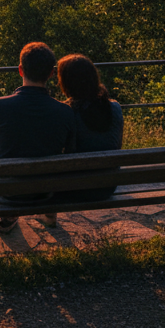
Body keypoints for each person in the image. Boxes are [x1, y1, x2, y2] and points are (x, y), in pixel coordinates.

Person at [0, 42, 78, 235]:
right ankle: (15, 217)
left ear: (20, 70)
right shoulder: (65, 112)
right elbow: (69, 155)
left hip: (4, 192)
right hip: (44, 192)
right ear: (51, 73)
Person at [45, 54, 125, 221]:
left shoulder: (67, 112)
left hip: (77, 188)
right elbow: (117, 145)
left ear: (66, 82)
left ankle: (50, 215)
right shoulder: (115, 108)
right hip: (107, 186)